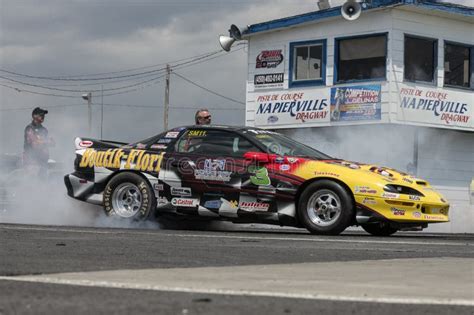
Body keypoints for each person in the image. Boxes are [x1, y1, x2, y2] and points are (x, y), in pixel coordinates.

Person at [23, 107, 54, 178]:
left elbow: (52, 143)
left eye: (43, 115)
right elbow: (34, 144)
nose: (43, 116)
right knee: (32, 181)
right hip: (32, 161)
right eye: (40, 115)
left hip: (43, 161)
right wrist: (45, 142)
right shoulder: (29, 128)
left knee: (43, 181)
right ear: (34, 116)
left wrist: (42, 142)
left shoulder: (44, 130)